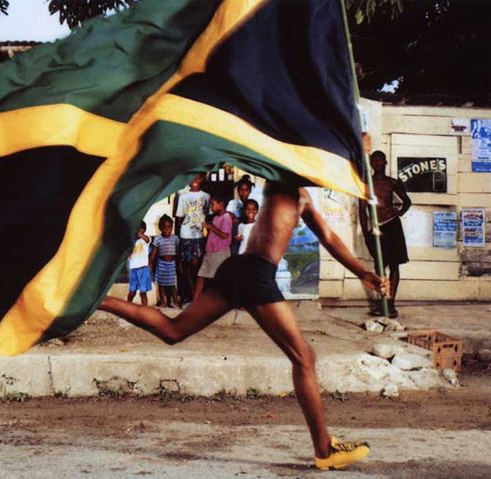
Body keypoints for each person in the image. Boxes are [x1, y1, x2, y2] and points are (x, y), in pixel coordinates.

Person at [100, 181, 389, 470]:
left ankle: (99, 300)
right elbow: (326, 234)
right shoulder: (283, 180)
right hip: (255, 273)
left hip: (237, 268)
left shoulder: (299, 193)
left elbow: (327, 236)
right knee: (304, 357)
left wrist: (362, 272)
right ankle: (324, 450)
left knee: (173, 331)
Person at [359, 150, 412, 319]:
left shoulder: (392, 183)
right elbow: (362, 210)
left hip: (393, 227)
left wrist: (398, 213)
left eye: (381, 161)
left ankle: (391, 304)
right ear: (372, 164)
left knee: (394, 265)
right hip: (376, 228)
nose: (378, 164)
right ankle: (382, 303)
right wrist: (366, 232)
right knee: (379, 267)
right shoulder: (365, 185)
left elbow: (407, 202)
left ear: (386, 163)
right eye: (375, 161)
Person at [175, 174, 210, 305]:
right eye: (192, 178)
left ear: (201, 179)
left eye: (197, 178)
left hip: (199, 235)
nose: (194, 181)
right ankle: (192, 296)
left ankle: (198, 296)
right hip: (185, 234)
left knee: (198, 266)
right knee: (188, 267)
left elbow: (208, 216)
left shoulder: (206, 196)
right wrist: (179, 237)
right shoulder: (183, 196)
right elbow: (179, 217)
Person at [194, 195, 232, 300]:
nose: (211, 207)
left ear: (221, 204)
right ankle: (195, 301)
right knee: (201, 275)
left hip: (220, 252)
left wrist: (211, 227)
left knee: (218, 278)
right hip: (210, 251)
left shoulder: (226, 217)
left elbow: (225, 235)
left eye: (213, 204)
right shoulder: (216, 217)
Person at [150, 214, 180, 308]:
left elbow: (178, 252)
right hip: (161, 264)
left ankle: (175, 302)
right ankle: (163, 302)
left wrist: (179, 264)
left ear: (172, 227)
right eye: (164, 227)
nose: (167, 229)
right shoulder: (158, 239)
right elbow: (154, 252)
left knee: (172, 284)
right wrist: (150, 262)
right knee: (161, 284)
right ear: (160, 227)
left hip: (171, 264)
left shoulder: (175, 238)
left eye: (169, 227)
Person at [227, 175, 254, 255]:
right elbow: (229, 216)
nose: (243, 192)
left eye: (246, 190)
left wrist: (237, 219)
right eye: (240, 190)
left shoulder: (253, 204)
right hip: (235, 239)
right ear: (238, 191)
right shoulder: (233, 203)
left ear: (250, 191)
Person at [127, 221, 152, 306]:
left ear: (143, 230)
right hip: (133, 270)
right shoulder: (131, 241)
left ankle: (145, 309)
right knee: (132, 292)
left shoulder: (145, 239)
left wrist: (140, 234)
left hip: (143, 269)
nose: (137, 230)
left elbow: (148, 240)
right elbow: (128, 253)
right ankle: (128, 307)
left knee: (143, 292)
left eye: (140, 228)